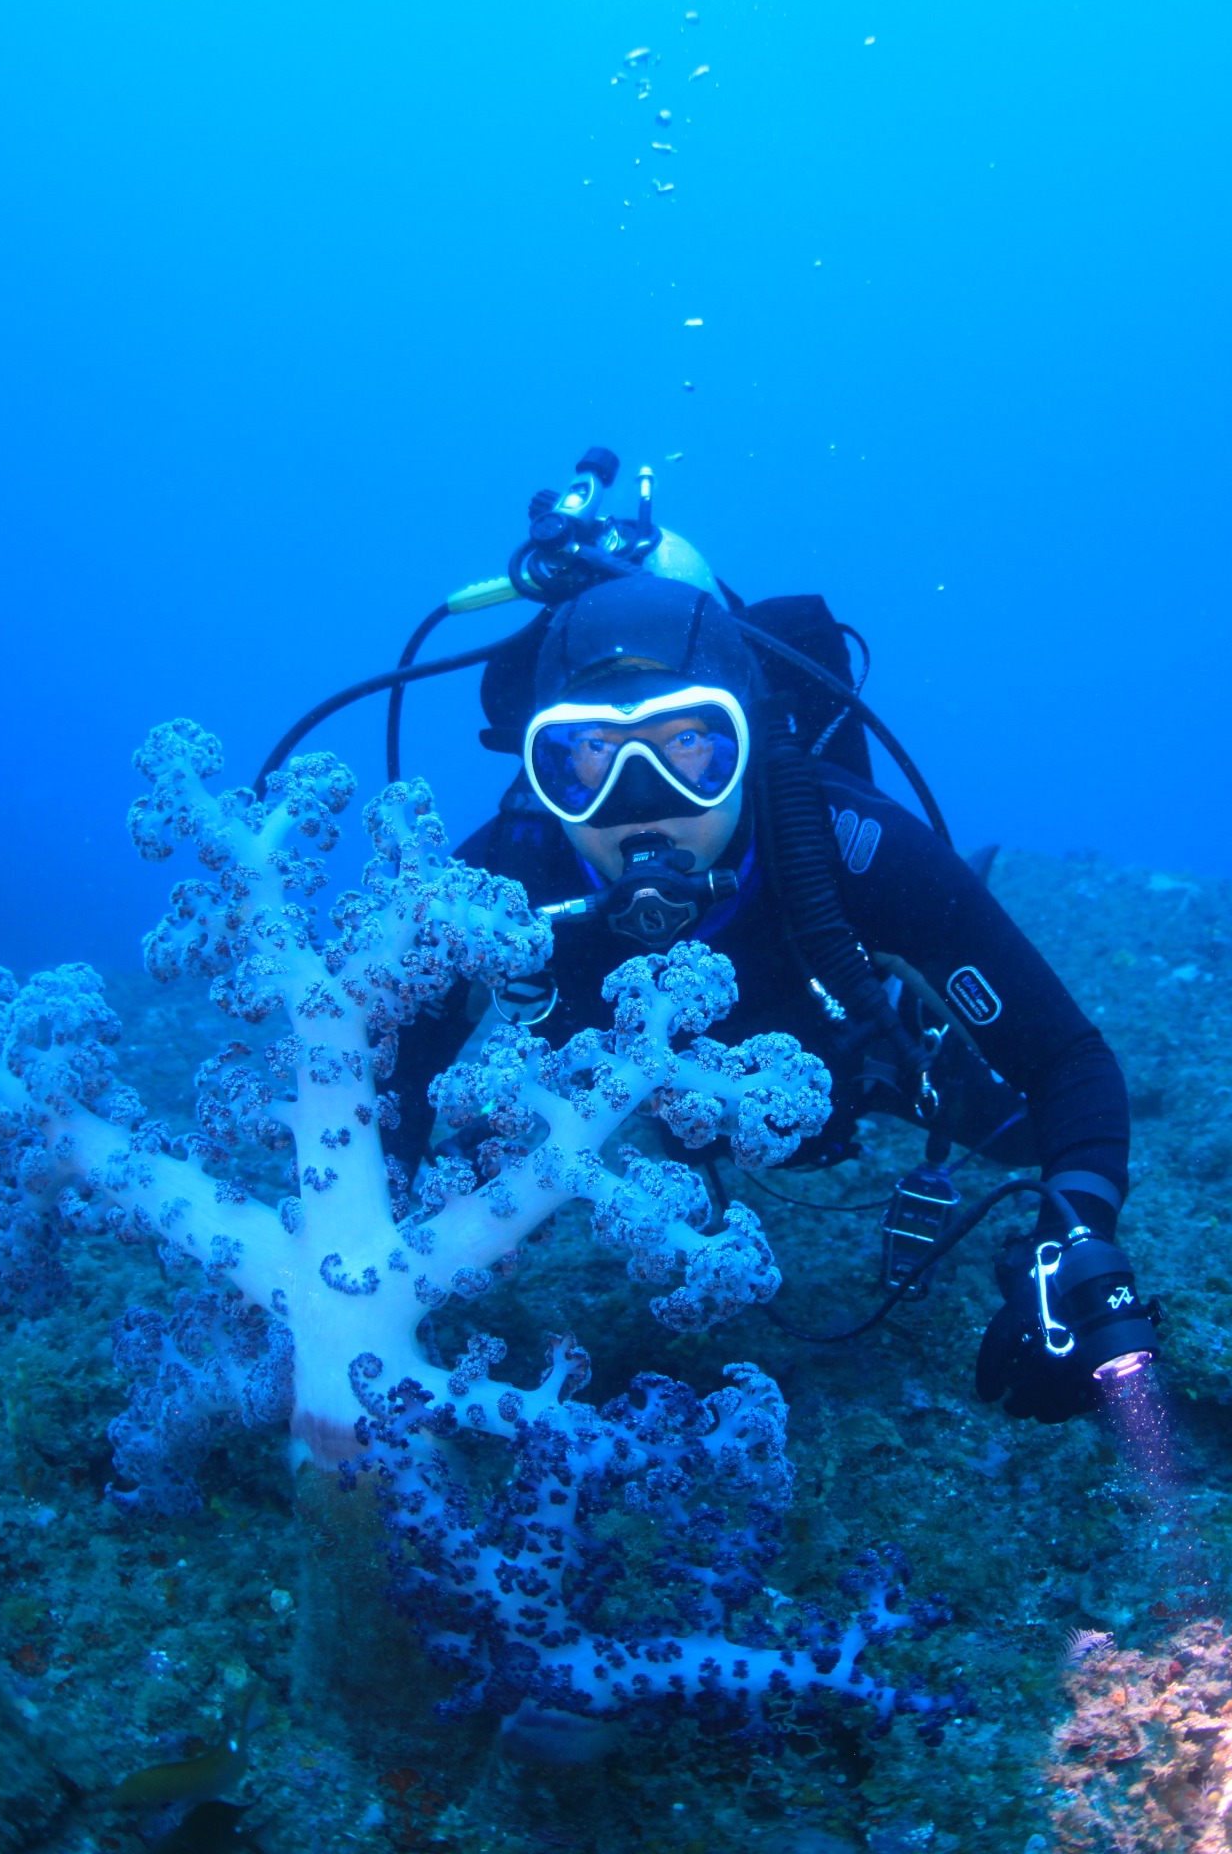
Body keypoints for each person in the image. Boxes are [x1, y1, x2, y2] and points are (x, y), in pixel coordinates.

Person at [385, 571, 1144, 1423]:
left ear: (745, 743)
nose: (640, 802)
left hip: (854, 1058)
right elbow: (394, 1078)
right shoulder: (502, 880)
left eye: (690, 747)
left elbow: (1069, 1062)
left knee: (1030, 1138)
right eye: (588, 757)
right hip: (606, 1097)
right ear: (539, 769)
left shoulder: (845, 841)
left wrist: (1075, 1254)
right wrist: (368, 1251)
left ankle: (916, 1026)